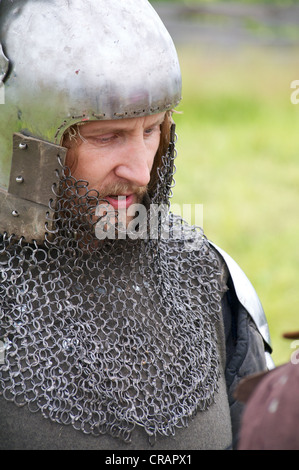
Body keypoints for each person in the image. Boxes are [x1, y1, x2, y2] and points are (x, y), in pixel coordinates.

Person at [0, 0, 272, 450]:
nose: (142, 172)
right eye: (107, 137)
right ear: (22, 141)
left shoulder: (206, 277)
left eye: (152, 130)